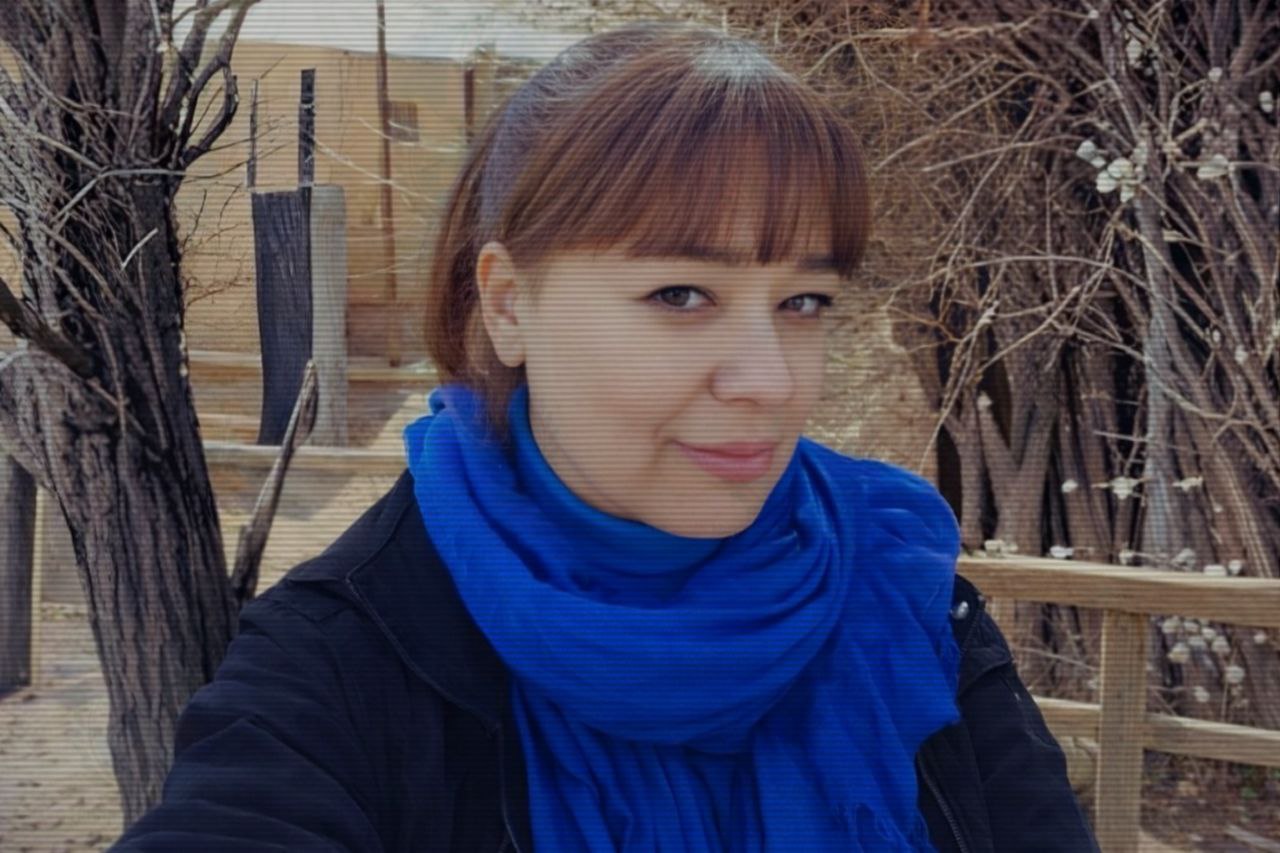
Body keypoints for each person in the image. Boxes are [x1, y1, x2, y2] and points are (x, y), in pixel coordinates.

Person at [112, 21, 1098, 853]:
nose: (770, 381)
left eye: (803, 301)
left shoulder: (898, 587)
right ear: (508, 304)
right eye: (680, 294)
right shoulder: (343, 659)